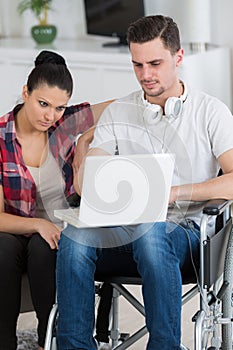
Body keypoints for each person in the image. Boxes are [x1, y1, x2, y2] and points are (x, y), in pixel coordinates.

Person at [56, 15, 233, 349]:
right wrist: (85, 153)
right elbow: (89, 183)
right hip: (123, 232)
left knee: (152, 230)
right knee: (75, 236)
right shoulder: (120, 112)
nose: (145, 75)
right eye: (137, 65)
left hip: (188, 236)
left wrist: (173, 194)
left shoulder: (211, 112)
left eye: (155, 63)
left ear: (178, 58)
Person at [0, 50, 112, 350]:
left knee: (44, 247)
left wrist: (86, 139)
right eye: (43, 104)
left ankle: (47, 340)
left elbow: (119, 107)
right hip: (13, 228)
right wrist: (37, 223)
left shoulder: (64, 126)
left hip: (59, 228)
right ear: (26, 93)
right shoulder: (0, 138)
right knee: (4, 246)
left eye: (60, 107)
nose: (50, 116)